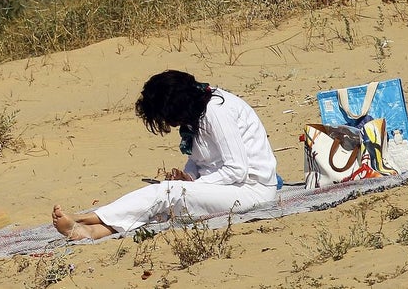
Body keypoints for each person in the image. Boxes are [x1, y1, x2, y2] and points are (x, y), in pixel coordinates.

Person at [52, 70, 278, 240]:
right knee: (162, 207)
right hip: (228, 187)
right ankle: (92, 231)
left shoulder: (216, 112)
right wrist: (189, 177)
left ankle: (85, 217)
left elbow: (237, 170)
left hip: (252, 191)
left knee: (165, 193)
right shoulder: (197, 113)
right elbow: (200, 159)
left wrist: (194, 186)